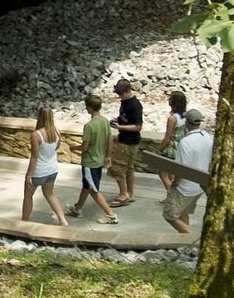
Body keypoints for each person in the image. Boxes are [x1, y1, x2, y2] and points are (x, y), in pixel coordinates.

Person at [66, 94, 119, 225]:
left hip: (90, 162)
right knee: (87, 186)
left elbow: (84, 147)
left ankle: (111, 215)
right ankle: (77, 209)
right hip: (99, 160)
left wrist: (74, 148)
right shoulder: (105, 122)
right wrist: (108, 156)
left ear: (89, 108)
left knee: (94, 190)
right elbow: (110, 139)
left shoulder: (89, 126)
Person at [163, 108, 213, 234]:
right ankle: (184, 239)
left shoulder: (185, 142)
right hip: (200, 186)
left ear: (187, 123)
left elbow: (181, 169)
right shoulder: (207, 137)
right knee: (183, 211)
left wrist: (175, 184)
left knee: (170, 215)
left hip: (185, 187)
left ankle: (190, 238)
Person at [22, 107, 71, 226]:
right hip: (52, 169)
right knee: (49, 194)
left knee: (28, 196)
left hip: (39, 171)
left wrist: (29, 174)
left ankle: (24, 222)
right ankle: (62, 220)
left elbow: (34, 157)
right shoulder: (56, 132)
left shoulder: (36, 135)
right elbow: (57, 147)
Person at [108, 78, 144, 208]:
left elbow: (138, 126)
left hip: (129, 142)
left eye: (122, 94)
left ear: (128, 91)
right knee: (129, 168)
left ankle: (124, 194)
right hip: (124, 138)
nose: (120, 97)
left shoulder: (135, 105)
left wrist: (120, 128)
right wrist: (117, 121)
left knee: (117, 167)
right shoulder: (124, 103)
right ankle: (130, 194)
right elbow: (125, 118)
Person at [156, 90, 188, 191]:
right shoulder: (185, 116)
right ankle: (172, 196)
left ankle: (171, 195)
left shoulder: (172, 118)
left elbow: (167, 137)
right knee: (172, 175)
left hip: (171, 149)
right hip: (179, 147)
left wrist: (158, 149)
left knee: (163, 173)